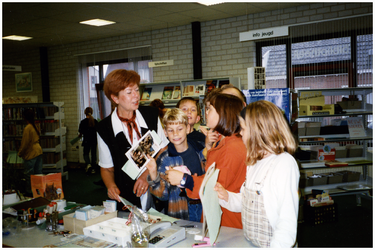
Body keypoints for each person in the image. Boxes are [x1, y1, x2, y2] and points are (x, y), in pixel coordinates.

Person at [214, 100, 300, 248]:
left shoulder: (284, 163)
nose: (240, 133)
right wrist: (226, 196)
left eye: (242, 128)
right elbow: (247, 201)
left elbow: (287, 220)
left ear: (258, 130)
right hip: (252, 243)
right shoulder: (254, 162)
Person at [166, 93, 247, 229]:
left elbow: (216, 188)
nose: (206, 113)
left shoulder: (232, 147)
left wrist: (184, 179)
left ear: (222, 113)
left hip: (227, 222)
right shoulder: (225, 142)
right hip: (220, 218)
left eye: (209, 109)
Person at [96, 69, 169, 211]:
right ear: (115, 98)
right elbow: (107, 168)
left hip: (156, 191)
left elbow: (163, 149)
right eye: (129, 92)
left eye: (136, 90)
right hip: (126, 197)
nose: (136, 96)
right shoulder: (104, 128)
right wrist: (111, 186)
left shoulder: (151, 116)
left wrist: (145, 175)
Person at [146, 108, 205, 221]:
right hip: (180, 211)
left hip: (203, 207)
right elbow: (162, 195)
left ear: (187, 128)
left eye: (179, 129)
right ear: (165, 132)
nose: (175, 134)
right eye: (171, 130)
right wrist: (153, 173)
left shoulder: (200, 149)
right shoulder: (165, 158)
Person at [18, 109, 43, 194]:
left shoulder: (27, 128)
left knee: (29, 175)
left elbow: (25, 143)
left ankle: (30, 193)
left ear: (24, 117)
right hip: (38, 151)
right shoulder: (34, 126)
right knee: (38, 173)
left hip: (31, 153)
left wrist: (20, 153)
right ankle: (39, 192)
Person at [78, 107, 99, 175]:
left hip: (86, 140)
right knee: (93, 154)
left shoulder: (83, 122)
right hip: (94, 140)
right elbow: (98, 131)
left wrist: (80, 135)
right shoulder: (95, 121)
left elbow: (80, 132)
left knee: (85, 153)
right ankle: (93, 169)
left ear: (85, 113)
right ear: (92, 112)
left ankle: (88, 164)